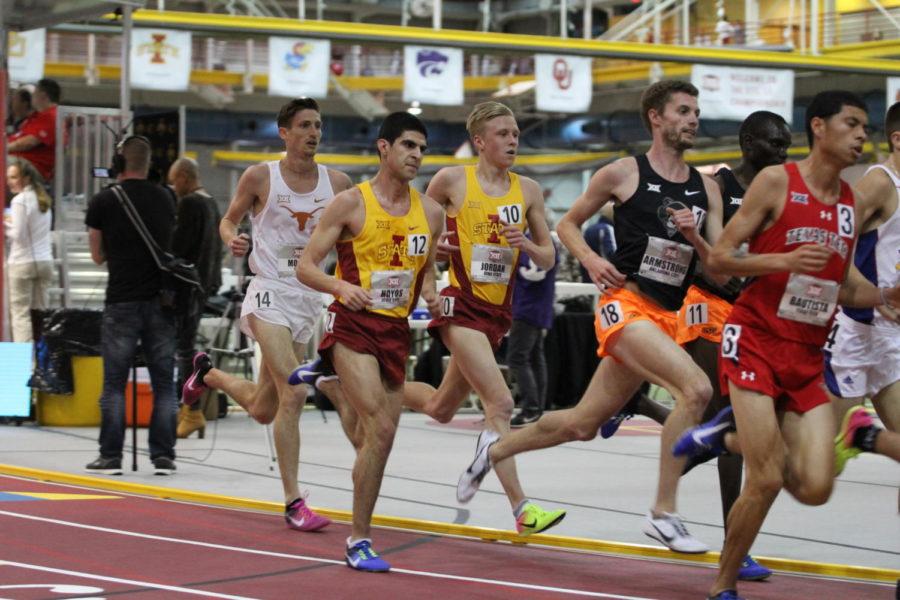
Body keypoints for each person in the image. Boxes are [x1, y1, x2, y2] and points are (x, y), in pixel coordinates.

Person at [457, 81, 726, 554]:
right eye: (683, 111)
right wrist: (592, 261)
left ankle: (493, 451)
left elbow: (718, 262)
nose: (693, 119)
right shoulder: (623, 173)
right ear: (656, 118)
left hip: (668, 314)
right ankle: (663, 513)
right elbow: (566, 224)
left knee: (580, 424)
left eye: (696, 112)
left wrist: (697, 237)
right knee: (696, 389)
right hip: (625, 305)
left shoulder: (707, 188)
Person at [296, 102, 566, 537]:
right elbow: (416, 228)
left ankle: (333, 383)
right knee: (499, 402)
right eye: (503, 134)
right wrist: (424, 278)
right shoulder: (450, 182)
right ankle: (520, 505)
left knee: (441, 407)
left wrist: (527, 247)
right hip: (458, 307)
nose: (513, 140)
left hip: (496, 312)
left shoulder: (527, 190)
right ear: (480, 141)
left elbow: (547, 255)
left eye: (516, 133)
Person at [674, 90, 900, 600]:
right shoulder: (778, 182)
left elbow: (846, 285)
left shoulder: (847, 204)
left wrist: (886, 295)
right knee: (768, 475)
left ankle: (721, 437)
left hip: (805, 356)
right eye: (853, 124)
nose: (863, 134)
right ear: (819, 127)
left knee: (816, 488)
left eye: (866, 125)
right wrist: (784, 262)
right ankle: (724, 584)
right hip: (754, 338)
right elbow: (721, 260)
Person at [181, 98, 352, 531]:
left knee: (262, 407)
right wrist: (233, 239)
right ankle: (294, 501)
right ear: (284, 132)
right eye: (305, 126)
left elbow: (354, 239)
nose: (314, 133)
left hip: (308, 298)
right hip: (268, 292)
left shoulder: (338, 183)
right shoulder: (261, 176)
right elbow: (228, 219)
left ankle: (208, 376)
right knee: (294, 390)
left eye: (318, 125)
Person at [296, 111, 444, 572]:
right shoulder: (350, 203)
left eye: (421, 148)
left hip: (396, 333)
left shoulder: (432, 213)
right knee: (380, 430)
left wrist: (434, 295)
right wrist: (340, 288)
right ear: (384, 148)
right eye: (408, 146)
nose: (416, 155)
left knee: (372, 436)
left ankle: (332, 387)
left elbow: (426, 270)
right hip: (353, 324)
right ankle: (359, 539)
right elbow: (306, 266)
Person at [84, 136, 178, 476]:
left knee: (114, 383)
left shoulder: (103, 201)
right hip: (162, 301)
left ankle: (111, 456)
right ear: (149, 164)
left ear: (118, 164)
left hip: (122, 300)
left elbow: (97, 256)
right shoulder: (167, 197)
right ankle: (163, 456)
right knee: (164, 383)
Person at [825, 101, 900, 470]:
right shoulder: (880, 183)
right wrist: (875, 294)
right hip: (856, 334)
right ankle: (727, 433)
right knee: (816, 471)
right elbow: (835, 240)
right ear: (898, 140)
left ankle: (866, 436)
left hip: (893, 341)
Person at [167, 157, 222, 439]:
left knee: (184, 352)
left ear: (186, 178)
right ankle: (189, 410)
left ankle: (191, 409)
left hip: (187, 287)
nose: (173, 187)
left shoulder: (190, 203)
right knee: (187, 350)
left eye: (174, 180)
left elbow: (180, 248)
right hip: (205, 286)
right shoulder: (211, 201)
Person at [508, 235, 559, 427]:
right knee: (536, 358)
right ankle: (537, 407)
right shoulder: (548, 242)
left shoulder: (528, 240)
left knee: (517, 358)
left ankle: (531, 407)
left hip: (526, 306)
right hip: (541, 306)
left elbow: (530, 273)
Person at [5, 157, 53, 342]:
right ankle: (42, 363)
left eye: (14, 177)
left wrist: (4, 224)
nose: (10, 181)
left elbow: (17, 235)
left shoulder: (19, 201)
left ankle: (20, 368)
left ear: (26, 178)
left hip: (21, 262)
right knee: (40, 315)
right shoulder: (44, 200)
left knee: (20, 316)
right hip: (44, 262)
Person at [7, 78, 61, 182]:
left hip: (32, 167)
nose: (32, 98)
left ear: (43, 95)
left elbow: (28, 143)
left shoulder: (51, 116)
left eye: (35, 93)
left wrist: (3, 148)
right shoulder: (39, 116)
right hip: (20, 162)